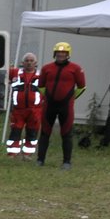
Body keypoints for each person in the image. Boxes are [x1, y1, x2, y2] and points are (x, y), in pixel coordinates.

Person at [37, 41, 87, 169]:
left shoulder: (76, 68)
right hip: (49, 105)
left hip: (66, 106)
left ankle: (66, 162)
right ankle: (40, 160)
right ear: (54, 54)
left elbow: (82, 87)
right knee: (45, 132)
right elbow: (41, 86)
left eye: (63, 53)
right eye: (58, 52)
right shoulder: (46, 68)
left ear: (68, 54)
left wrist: (71, 98)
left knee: (66, 133)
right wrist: (47, 97)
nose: (60, 55)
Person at [6, 53, 43, 159]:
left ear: (35, 63)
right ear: (22, 63)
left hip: (35, 110)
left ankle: (27, 154)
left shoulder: (41, 75)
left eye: (31, 61)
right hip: (18, 110)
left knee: (32, 131)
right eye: (27, 60)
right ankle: (12, 153)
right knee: (15, 131)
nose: (29, 63)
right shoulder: (15, 73)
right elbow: (4, 71)